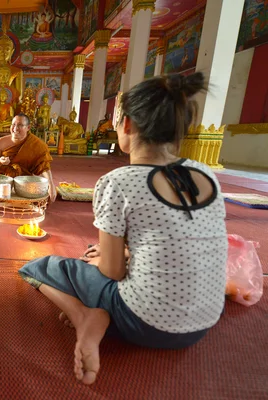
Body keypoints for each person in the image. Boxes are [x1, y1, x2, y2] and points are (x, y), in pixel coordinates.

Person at [18, 72, 227, 385]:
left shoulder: (119, 182)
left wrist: (99, 263)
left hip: (144, 322)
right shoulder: (204, 174)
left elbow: (113, 272)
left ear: (127, 124)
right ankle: (101, 311)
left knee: (36, 267)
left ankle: (84, 316)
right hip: (201, 324)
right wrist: (131, 251)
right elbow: (171, 235)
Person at [0, 113, 56, 201]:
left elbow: (45, 167)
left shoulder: (37, 144)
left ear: (28, 128)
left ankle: (9, 197)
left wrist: (51, 185)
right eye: (13, 124)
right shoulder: (0, 142)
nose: (15, 128)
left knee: (46, 194)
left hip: (24, 182)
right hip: (3, 180)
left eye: (20, 125)